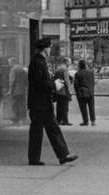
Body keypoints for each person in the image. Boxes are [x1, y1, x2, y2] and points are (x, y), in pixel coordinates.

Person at [27, 37, 78, 167]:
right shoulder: (37, 62)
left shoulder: (40, 61)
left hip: (41, 102)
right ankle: (59, 155)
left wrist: (54, 82)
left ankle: (61, 155)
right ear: (45, 48)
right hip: (39, 103)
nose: (50, 50)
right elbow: (39, 82)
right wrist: (54, 85)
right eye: (49, 47)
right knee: (42, 130)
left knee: (48, 129)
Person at [73, 60, 96, 126]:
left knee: (83, 107)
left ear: (79, 66)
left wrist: (77, 92)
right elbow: (93, 82)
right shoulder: (90, 73)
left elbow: (76, 84)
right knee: (91, 107)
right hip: (90, 91)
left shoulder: (78, 73)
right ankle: (93, 121)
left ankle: (85, 121)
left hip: (82, 92)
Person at [9, 59, 28, 125]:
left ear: (12, 62)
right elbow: (26, 80)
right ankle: (23, 119)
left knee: (15, 105)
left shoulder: (13, 69)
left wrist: (10, 91)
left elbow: (12, 81)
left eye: (9, 63)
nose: (9, 64)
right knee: (22, 105)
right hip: (22, 91)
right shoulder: (22, 69)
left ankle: (15, 120)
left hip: (15, 91)